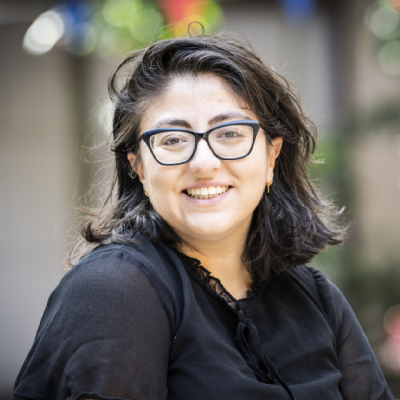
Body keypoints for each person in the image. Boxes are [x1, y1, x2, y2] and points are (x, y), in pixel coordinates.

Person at [14, 33, 394, 400]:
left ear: (271, 156)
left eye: (229, 133)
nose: (204, 163)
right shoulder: (114, 289)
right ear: (140, 168)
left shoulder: (317, 298)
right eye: (173, 140)